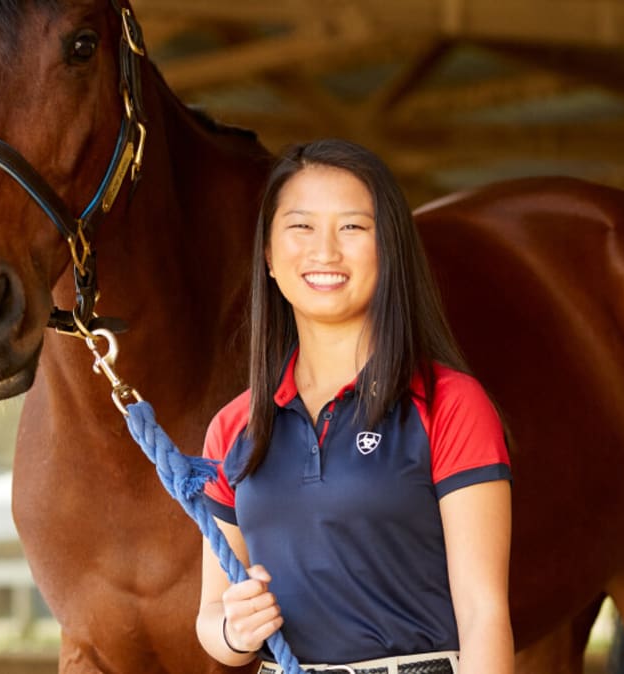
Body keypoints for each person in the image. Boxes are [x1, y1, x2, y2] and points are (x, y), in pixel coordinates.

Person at [196, 138, 513, 674]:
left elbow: (484, 613)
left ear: (388, 251)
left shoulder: (451, 404)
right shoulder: (233, 428)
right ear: (270, 257)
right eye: (301, 226)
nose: (324, 251)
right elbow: (210, 616)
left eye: (352, 227)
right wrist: (234, 630)